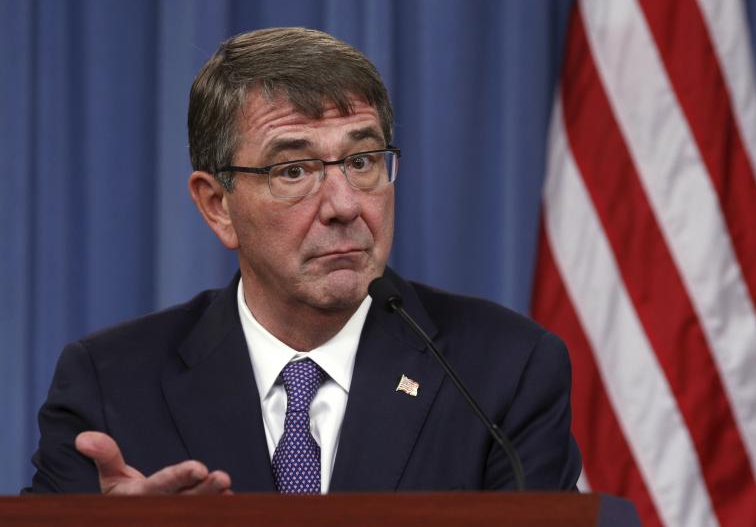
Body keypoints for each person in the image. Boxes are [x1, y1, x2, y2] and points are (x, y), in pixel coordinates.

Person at [25, 27, 581, 495]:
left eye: (362, 161)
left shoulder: (504, 372)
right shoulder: (110, 387)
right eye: (293, 171)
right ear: (218, 206)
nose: (344, 205)